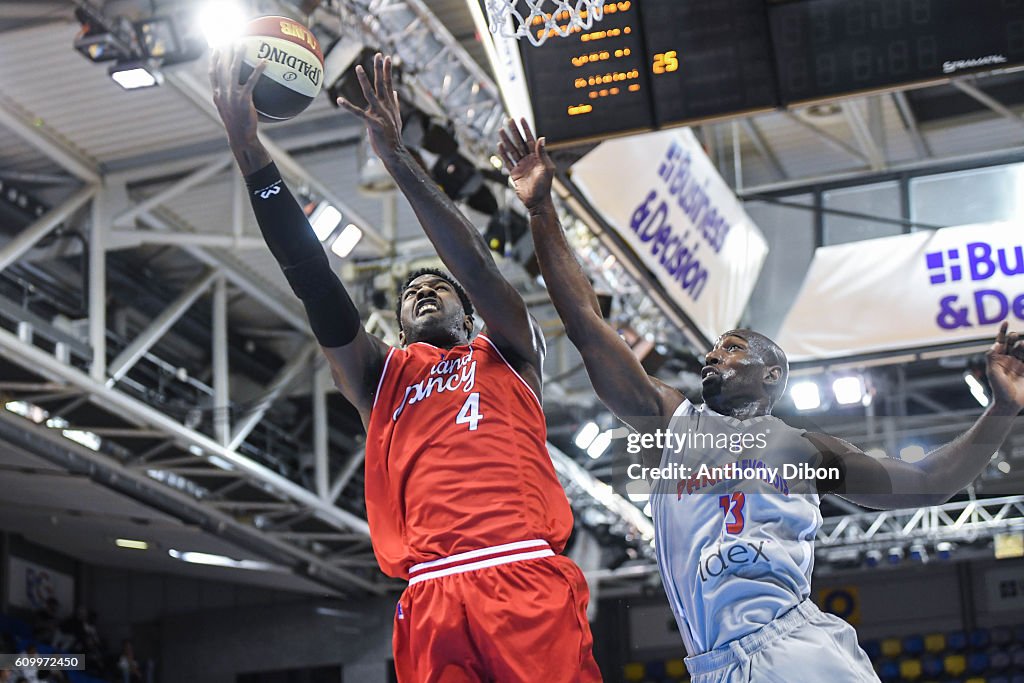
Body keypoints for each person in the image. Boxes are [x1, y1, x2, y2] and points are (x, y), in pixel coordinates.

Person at [497, 118, 1024, 682]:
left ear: (773, 375)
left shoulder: (804, 449)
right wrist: (540, 210)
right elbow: (586, 323)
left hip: (794, 650)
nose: (711, 356)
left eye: (732, 348)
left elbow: (926, 484)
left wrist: (1001, 410)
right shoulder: (672, 422)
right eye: (713, 350)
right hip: (713, 666)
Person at [209, 46, 600, 682]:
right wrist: (252, 154)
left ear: (469, 315)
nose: (421, 290)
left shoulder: (507, 349)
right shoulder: (382, 378)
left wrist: (395, 156)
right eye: (410, 294)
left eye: (437, 288)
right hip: (431, 596)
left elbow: (474, 263)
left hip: (521, 569)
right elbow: (314, 279)